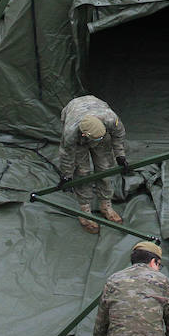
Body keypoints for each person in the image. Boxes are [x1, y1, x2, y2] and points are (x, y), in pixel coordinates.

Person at [57, 95, 129, 233]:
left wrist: (120, 156)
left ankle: (106, 205)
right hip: (78, 129)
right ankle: (85, 211)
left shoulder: (111, 119)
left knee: (105, 168)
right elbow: (67, 155)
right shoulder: (71, 132)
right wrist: (66, 175)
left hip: (100, 129)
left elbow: (119, 136)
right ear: (84, 134)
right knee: (82, 172)